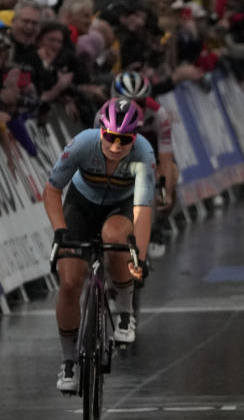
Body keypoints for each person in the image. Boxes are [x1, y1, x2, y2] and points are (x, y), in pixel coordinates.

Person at [43, 98, 156, 391]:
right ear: (99, 131)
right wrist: (59, 231)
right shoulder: (82, 143)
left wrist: (139, 258)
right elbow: (53, 190)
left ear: (136, 138)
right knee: (69, 282)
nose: (116, 147)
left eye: (125, 140)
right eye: (110, 138)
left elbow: (142, 210)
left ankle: (125, 313)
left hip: (121, 207)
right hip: (81, 205)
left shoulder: (144, 154)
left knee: (115, 237)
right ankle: (68, 361)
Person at [107, 71, 177, 258]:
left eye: (141, 102)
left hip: (152, 151)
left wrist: (166, 193)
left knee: (171, 178)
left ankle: (158, 225)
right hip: (121, 150)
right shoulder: (104, 115)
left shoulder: (158, 114)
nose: (136, 107)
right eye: (130, 103)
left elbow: (166, 159)